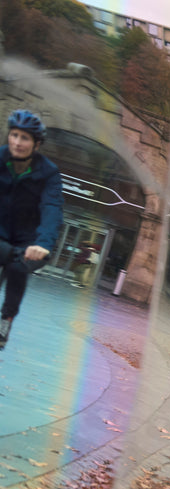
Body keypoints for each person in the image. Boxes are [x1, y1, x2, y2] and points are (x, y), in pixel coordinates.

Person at [0, 110, 63, 349]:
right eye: (14, 135)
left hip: (29, 241)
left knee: (18, 266)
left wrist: (44, 244)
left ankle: (6, 318)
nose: (17, 142)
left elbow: (52, 208)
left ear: (36, 144)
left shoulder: (48, 173)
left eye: (24, 138)